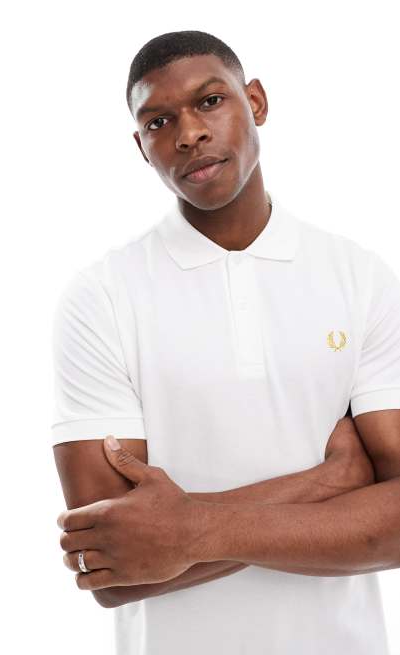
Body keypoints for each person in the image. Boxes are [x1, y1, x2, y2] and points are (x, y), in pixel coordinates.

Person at [51, 30, 400, 655]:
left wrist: (191, 530)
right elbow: (111, 566)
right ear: (141, 147)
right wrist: (333, 481)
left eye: (210, 101)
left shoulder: (360, 277)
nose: (188, 134)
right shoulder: (102, 295)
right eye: (159, 121)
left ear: (255, 102)